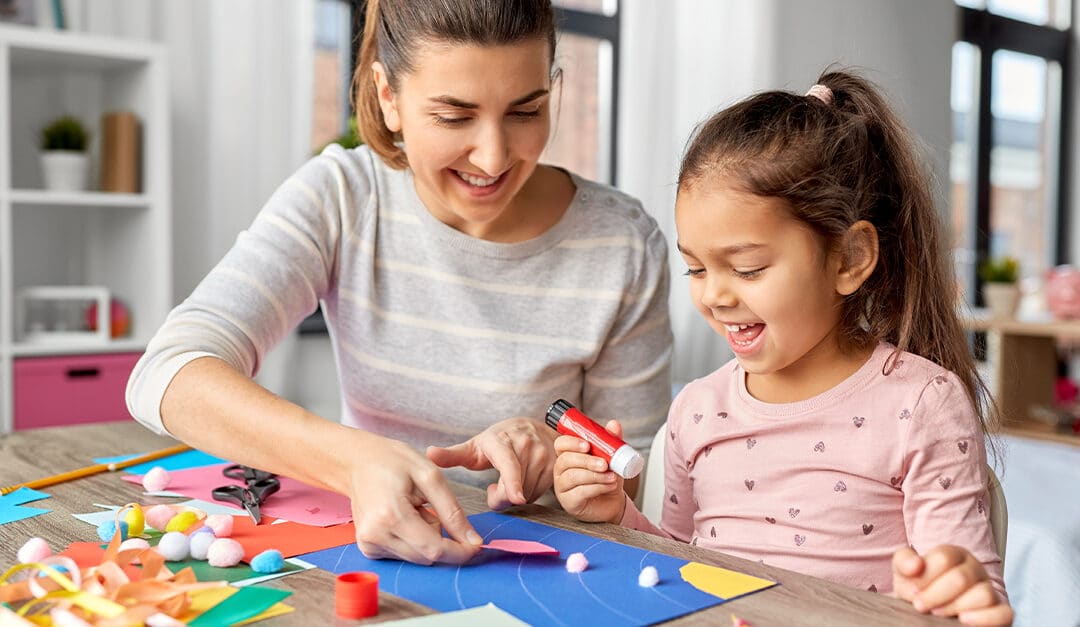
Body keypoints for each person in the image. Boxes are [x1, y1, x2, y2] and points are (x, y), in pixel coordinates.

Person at [127, 0, 672, 566]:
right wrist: (354, 460)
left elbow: (635, 478)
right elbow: (166, 373)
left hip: (543, 569)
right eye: (455, 117)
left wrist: (563, 461)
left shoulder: (622, 242)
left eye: (525, 112)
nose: (493, 156)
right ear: (389, 97)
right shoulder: (343, 196)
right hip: (362, 561)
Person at [553, 71, 1013, 626]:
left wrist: (961, 595)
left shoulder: (922, 403)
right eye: (696, 268)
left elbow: (968, 589)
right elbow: (679, 564)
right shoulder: (696, 410)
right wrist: (617, 515)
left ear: (848, 259)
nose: (715, 295)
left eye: (747, 268)